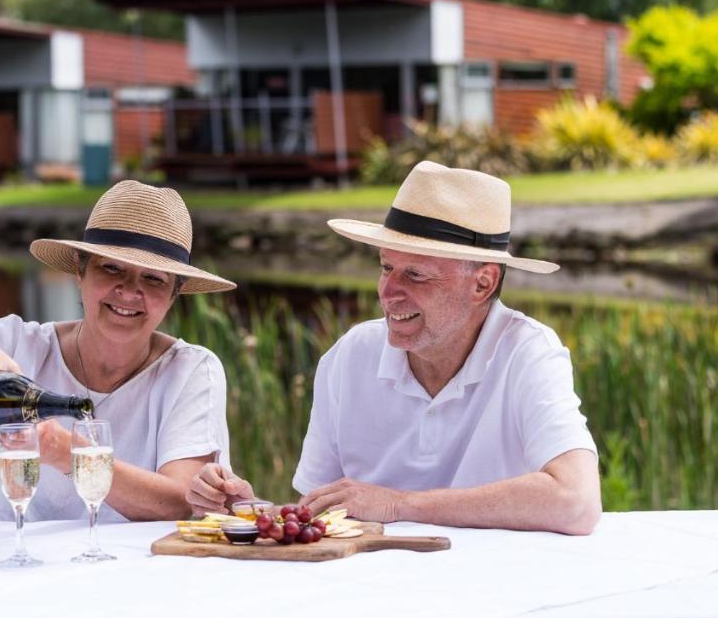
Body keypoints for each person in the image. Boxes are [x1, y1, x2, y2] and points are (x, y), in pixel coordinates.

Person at [187, 161, 601, 535]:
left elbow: (577, 502)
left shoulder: (528, 351)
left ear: (483, 284)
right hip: (369, 594)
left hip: (488, 593)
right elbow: (319, 515)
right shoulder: (351, 355)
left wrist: (397, 505)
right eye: (386, 267)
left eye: (416, 275)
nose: (388, 292)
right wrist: (245, 508)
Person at [0, 180, 237, 523]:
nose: (128, 290)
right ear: (80, 272)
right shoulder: (12, 345)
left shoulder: (191, 369)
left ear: (174, 294)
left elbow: (179, 503)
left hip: (118, 582)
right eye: (112, 268)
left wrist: (63, 450)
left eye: (153, 278)